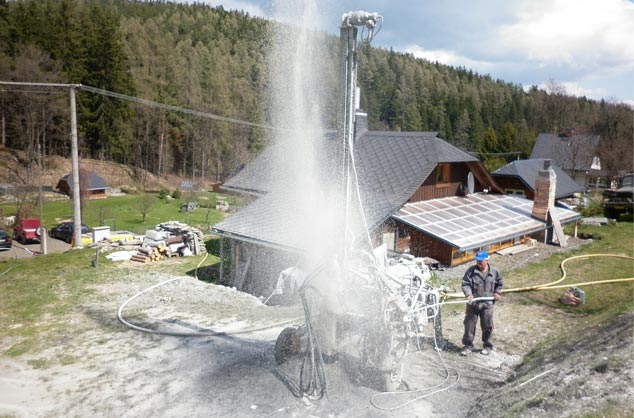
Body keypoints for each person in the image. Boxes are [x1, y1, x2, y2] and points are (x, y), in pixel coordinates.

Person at [460, 250, 503, 356]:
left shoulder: (494, 272)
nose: (478, 263)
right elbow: (465, 284)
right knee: (469, 325)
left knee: (487, 326)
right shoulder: (471, 271)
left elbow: (500, 283)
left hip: (487, 304)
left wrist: (497, 292)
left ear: (487, 260)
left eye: (481, 261)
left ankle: (487, 346)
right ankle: (468, 346)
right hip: (473, 304)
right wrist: (468, 295)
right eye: (477, 261)